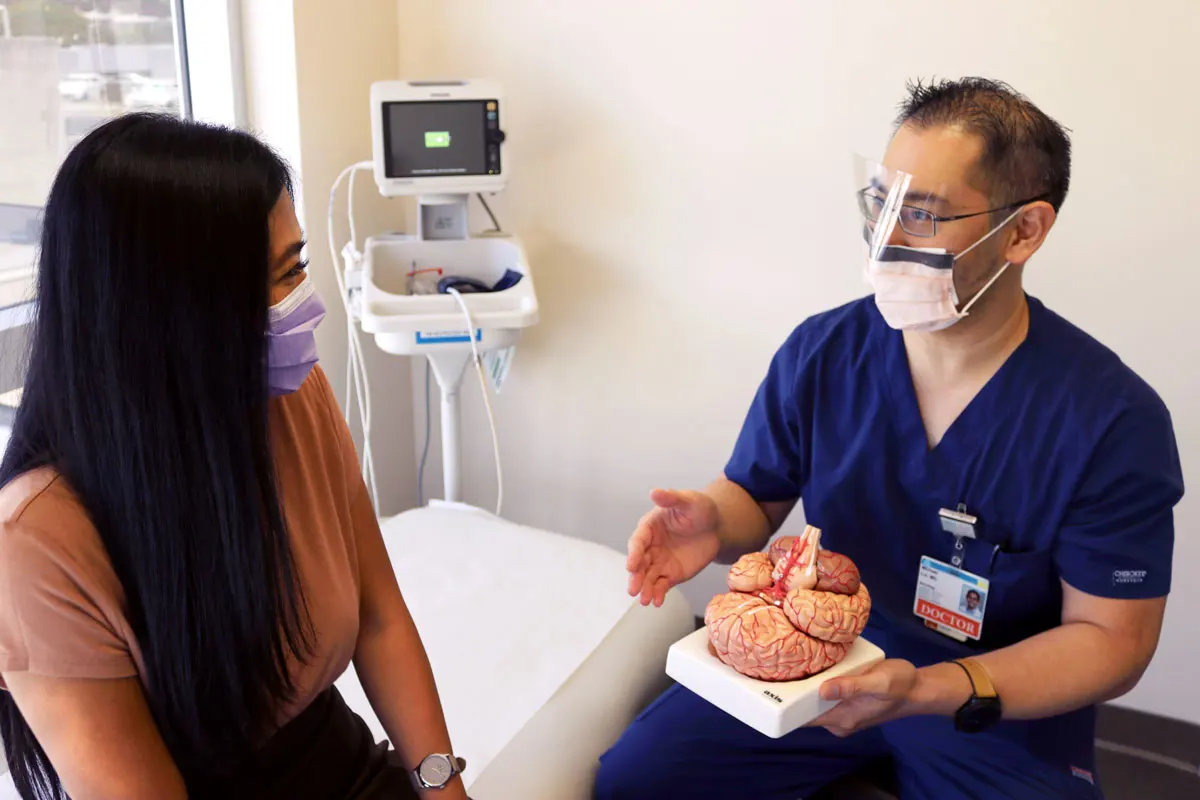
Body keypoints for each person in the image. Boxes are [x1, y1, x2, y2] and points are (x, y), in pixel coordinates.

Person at [596, 78, 1183, 799]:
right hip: (822, 660)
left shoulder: (1111, 420)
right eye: (881, 203)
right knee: (637, 782)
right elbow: (756, 493)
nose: (887, 236)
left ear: (1024, 231)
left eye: (924, 215)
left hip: (993, 696)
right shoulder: (824, 352)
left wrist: (936, 689)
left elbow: (1111, 643)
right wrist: (715, 524)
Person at [0, 114, 469, 799]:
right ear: (173, 313)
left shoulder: (293, 396)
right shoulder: (37, 545)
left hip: (338, 761)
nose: (304, 306)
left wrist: (441, 787)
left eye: (297, 266)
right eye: (278, 280)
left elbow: (378, 615)